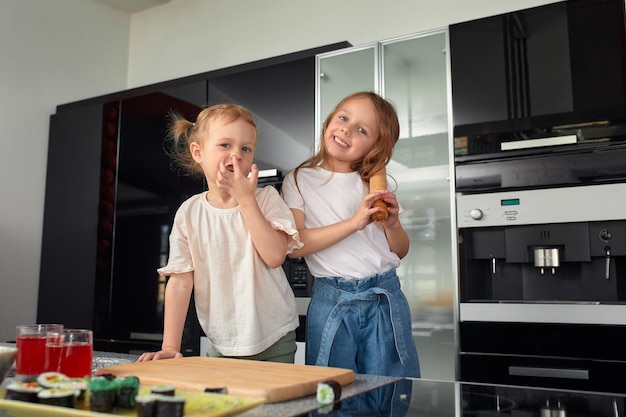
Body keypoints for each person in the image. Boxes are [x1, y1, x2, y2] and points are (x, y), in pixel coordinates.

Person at [137, 104, 302, 363]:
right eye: (225, 145)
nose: (236, 155)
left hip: (275, 340)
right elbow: (180, 283)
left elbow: (274, 257)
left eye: (245, 148)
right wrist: (170, 345)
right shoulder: (189, 213)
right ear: (198, 152)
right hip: (222, 345)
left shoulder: (267, 199)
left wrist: (246, 200)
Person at [281, 91, 420, 377]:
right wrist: (354, 223)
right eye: (343, 117)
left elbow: (400, 251)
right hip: (332, 300)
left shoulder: (374, 184)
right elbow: (294, 245)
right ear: (330, 120)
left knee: (388, 389)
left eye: (362, 130)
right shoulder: (298, 179)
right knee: (333, 390)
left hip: (384, 296)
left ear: (375, 147)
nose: (346, 128)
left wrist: (392, 224)